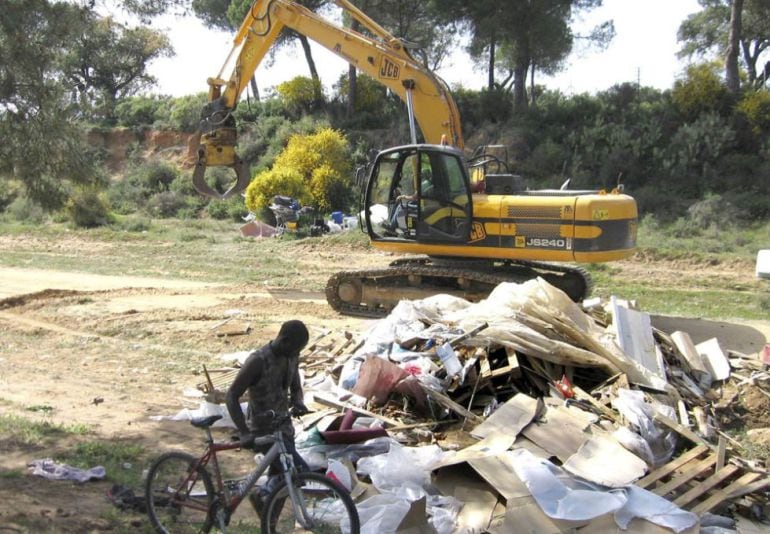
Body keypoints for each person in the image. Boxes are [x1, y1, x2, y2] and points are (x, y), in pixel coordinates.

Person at [225, 319, 311, 511]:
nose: (297, 354)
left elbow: (296, 386)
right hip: (262, 430)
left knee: (281, 476)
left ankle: (269, 524)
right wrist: (244, 431)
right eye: (295, 349)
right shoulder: (258, 361)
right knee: (297, 472)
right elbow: (231, 395)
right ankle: (262, 494)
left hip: (284, 427)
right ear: (284, 340)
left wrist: (298, 401)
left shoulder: (291, 357)